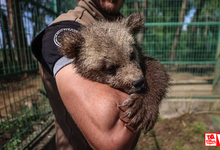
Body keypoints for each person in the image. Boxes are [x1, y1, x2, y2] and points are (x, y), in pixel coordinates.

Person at [31, 0, 140, 149]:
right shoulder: (65, 31)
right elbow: (112, 139)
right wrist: (146, 93)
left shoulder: (121, 25)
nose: (137, 76)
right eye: (110, 68)